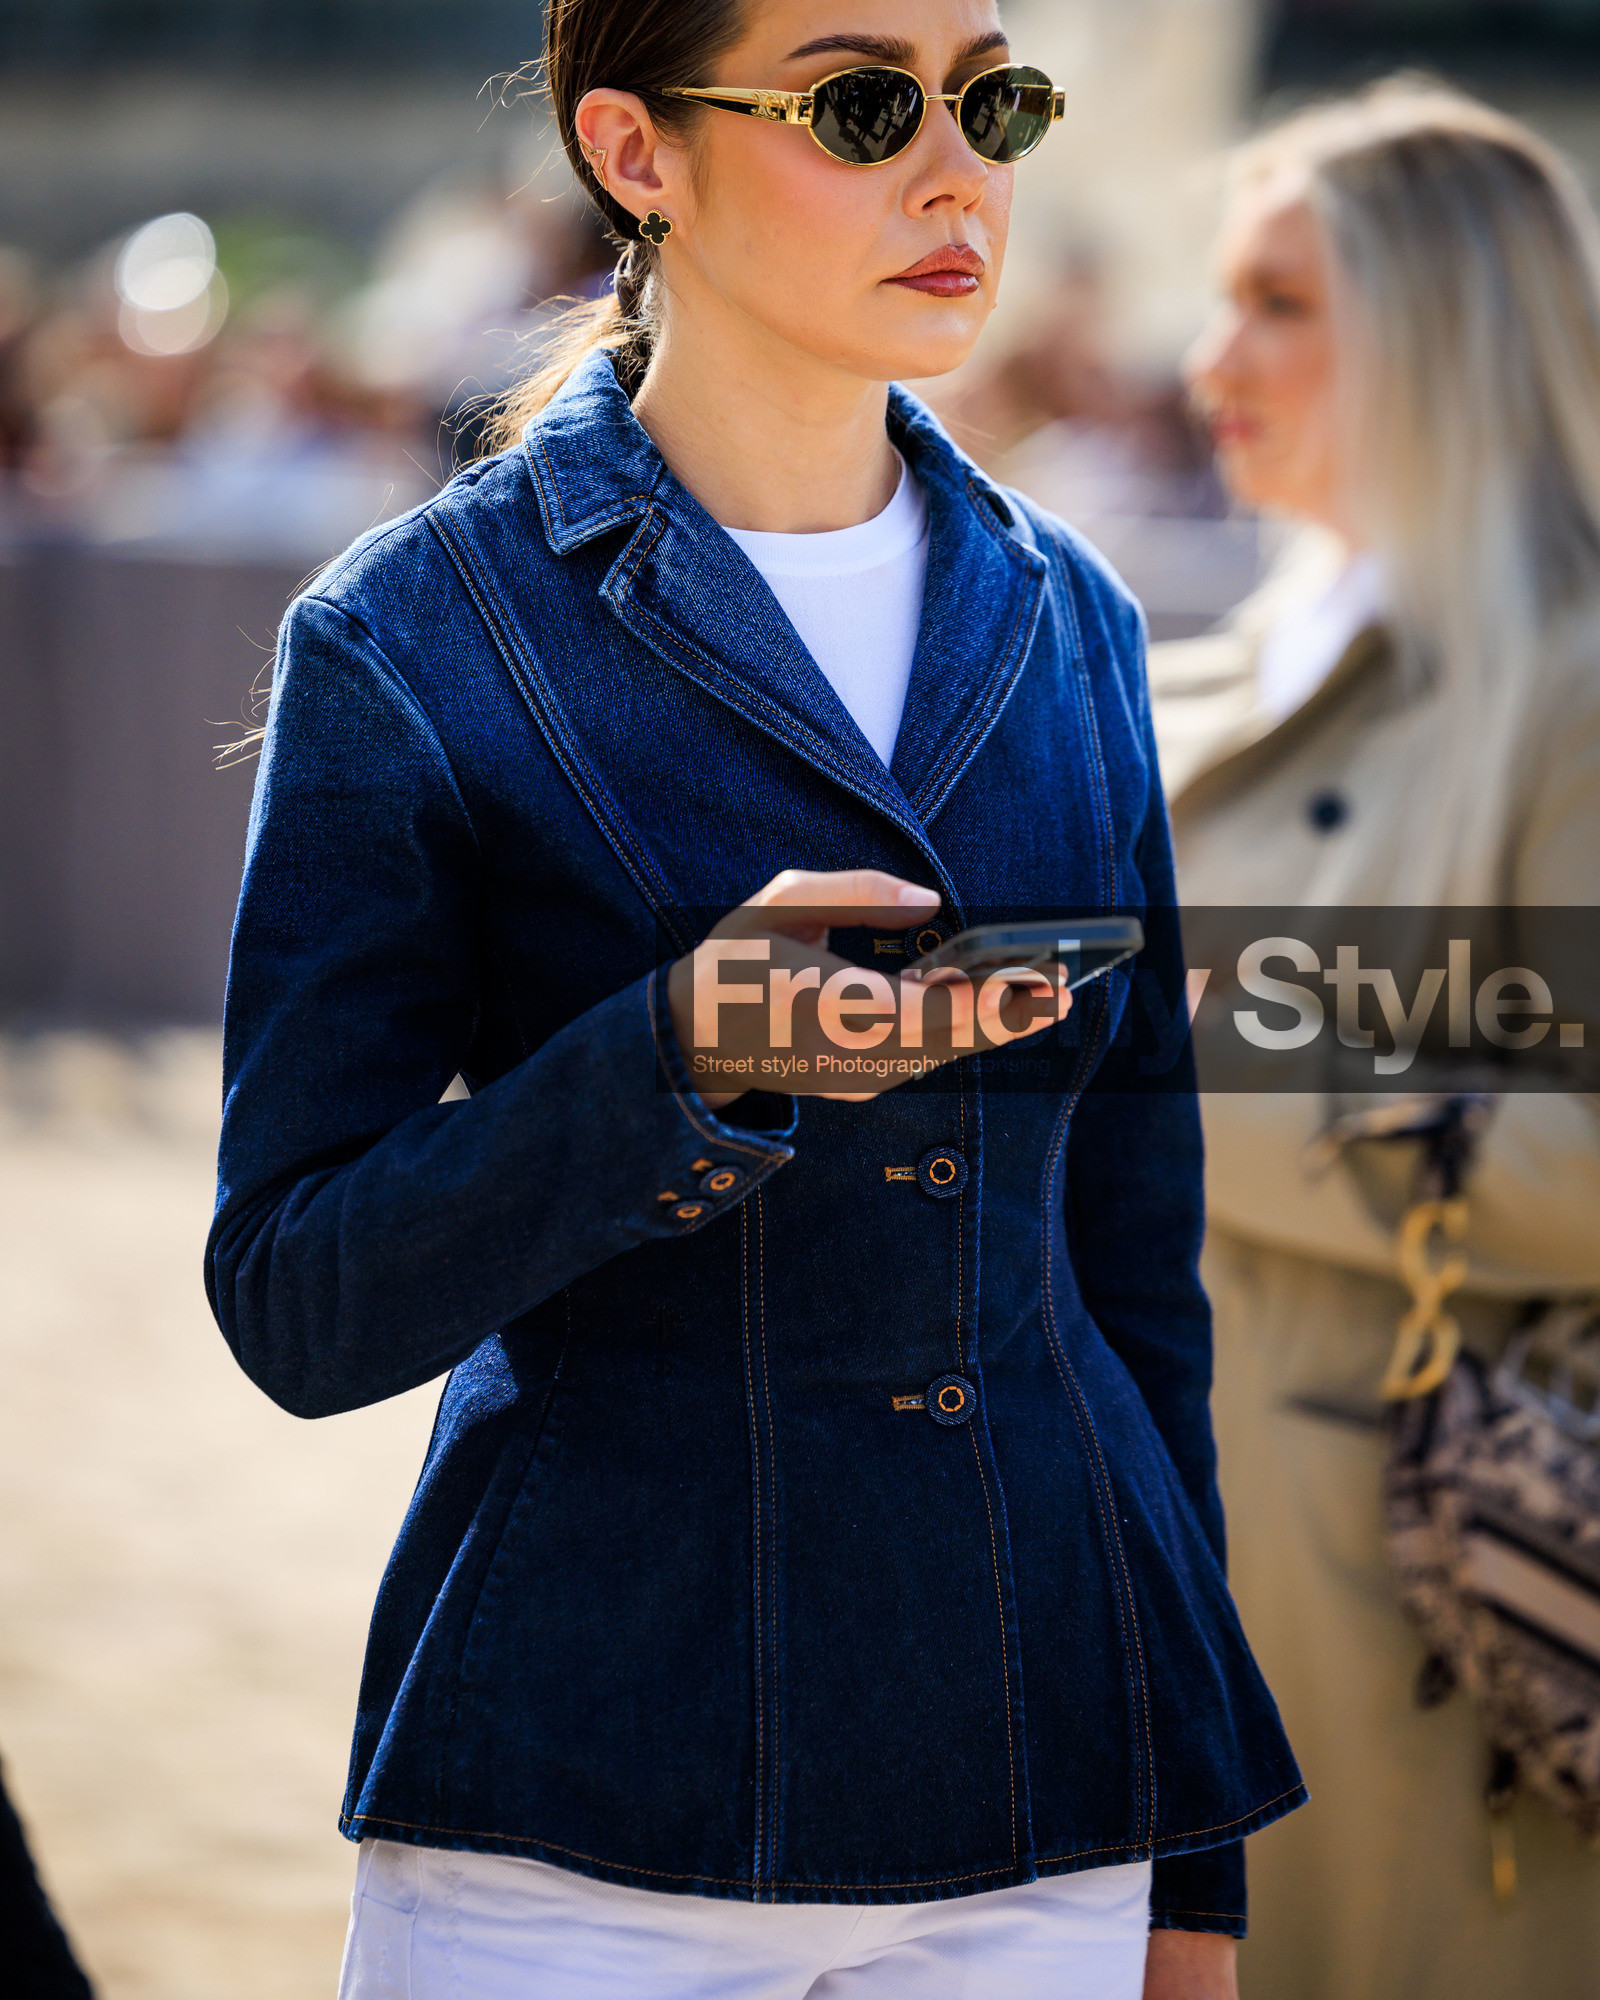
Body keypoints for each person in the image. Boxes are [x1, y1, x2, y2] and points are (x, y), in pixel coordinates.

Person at [206, 2, 1303, 1994]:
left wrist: (1189, 1860)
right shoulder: (409, 638)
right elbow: (295, 1293)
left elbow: (1134, 1281)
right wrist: (678, 1053)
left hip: (1040, 1783)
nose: (956, 168)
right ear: (635, 151)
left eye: (997, 99)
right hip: (586, 1794)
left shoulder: (1073, 617)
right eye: (862, 104)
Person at [1150, 79, 1600, 2000]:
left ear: (1439, 327)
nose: (1206, 358)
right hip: (1133, 1545)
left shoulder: (1575, 694)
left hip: (1409, 1593)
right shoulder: (1179, 676)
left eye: (1278, 303)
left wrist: (1149, 1045)